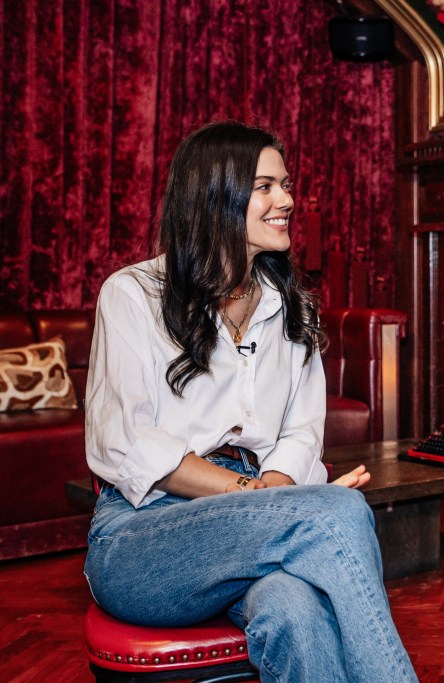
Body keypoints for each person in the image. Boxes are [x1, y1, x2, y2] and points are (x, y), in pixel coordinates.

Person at [83, 121, 418, 682]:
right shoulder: (134, 294)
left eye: (285, 185)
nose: (286, 200)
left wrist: (277, 497)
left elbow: (301, 434)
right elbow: (126, 443)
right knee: (338, 512)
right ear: (215, 194)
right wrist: (261, 499)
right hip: (144, 536)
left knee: (295, 610)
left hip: (258, 520)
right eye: (265, 187)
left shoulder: (294, 310)